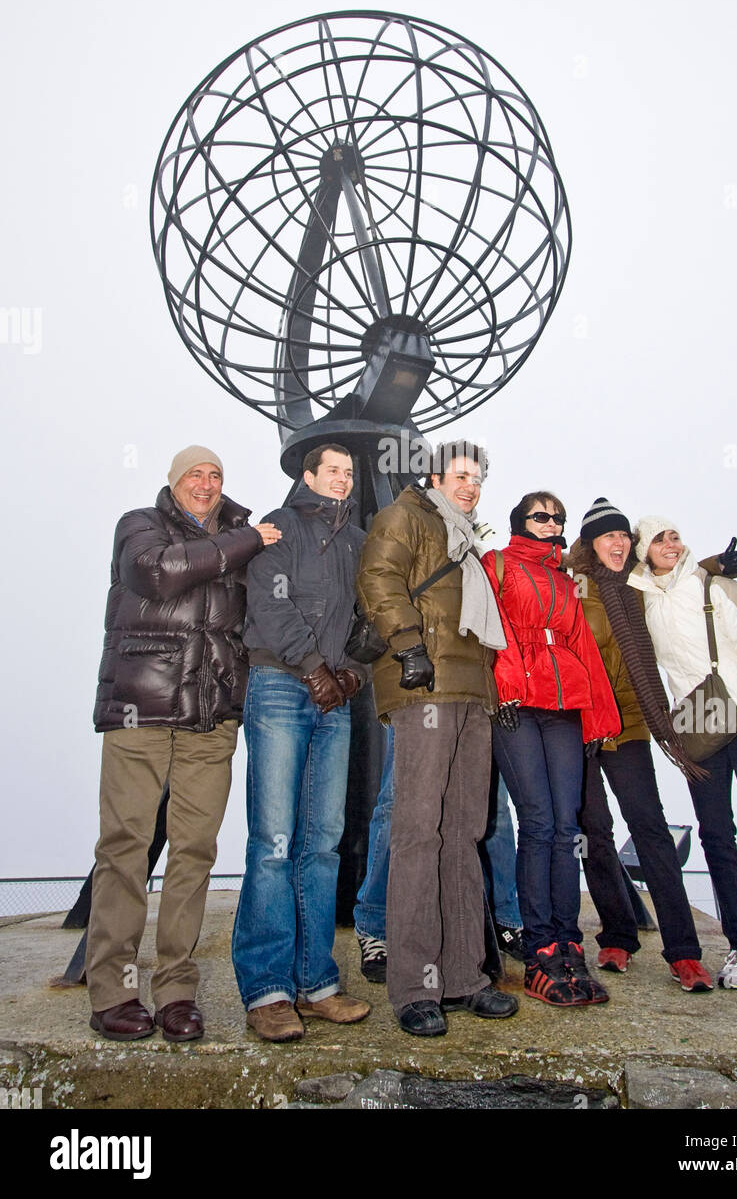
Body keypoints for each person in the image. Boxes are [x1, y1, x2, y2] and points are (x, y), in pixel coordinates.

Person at [87, 446, 280, 1042]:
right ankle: (113, 991)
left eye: (216, 474)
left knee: (194, 852)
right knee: (125, 846)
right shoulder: (140, 526)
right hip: (139, 711)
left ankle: (174, 990)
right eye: (195, 474)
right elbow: (157, 573)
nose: (206, 482)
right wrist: (247, 541)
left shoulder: (242, 535)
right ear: (174, 483)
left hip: (210, 718)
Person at [356, 441, 518, 1036]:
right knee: (419, 833)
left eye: (479, 476)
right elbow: (378, 575)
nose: (471, 484)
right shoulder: (408, 515)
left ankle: (464, 976)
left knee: (463, 833)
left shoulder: (467, 539)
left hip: (472, 695)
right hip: (424, 690)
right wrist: (407, 645)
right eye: (461, 474)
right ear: (433, 476)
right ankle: (415, 984)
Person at [231, 444, 371, 1042]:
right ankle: (267, 992)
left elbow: (373, 613)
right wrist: (314, 666)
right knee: (273, 841)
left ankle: (316, 984)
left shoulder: (359, 541)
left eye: (347, 473)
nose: (340, 480)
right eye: (330, 471)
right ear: (307, 476)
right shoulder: (278, 526)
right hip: (281, 687)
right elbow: (269, 600)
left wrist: (355, 670)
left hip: (334, 695)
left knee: (323, 843)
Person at [629, 515, 737, 993]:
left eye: (675, 535)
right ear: (643, 551)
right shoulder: (641, 599)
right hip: (699, 731)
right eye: (658, 538)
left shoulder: (714, 586)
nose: (670, 543)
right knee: (717, 839)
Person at [566, 497, 724, 992]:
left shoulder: (638, 586)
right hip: (583, 722)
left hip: (631, 722)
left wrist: (718, 566)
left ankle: (683, 951)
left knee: (650, 828)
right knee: (592, 831)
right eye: (607, 537)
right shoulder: (573, 586)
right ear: (590, 544)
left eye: (623, 536)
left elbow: (679, 580)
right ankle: (617, 935)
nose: (617, 544)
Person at [481, 492, 621, 1006]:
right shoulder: (496, 563)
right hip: (518, 703)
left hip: (564, 706)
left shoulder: (564, 578)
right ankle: (539, 948)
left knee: (568, 826)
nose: (551, 522)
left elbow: (583, 645)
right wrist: (505, 687)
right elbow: (489, 629)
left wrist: (598, 719)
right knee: (537, 822)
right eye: (541, 515)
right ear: (521, 519)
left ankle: (569, 944)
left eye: (557, 517)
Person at [353, 738, 523, 982]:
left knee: (493, 801)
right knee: (397, 800)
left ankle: (505, 919)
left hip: (478, 703)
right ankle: (374, 927)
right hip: (412, 703)